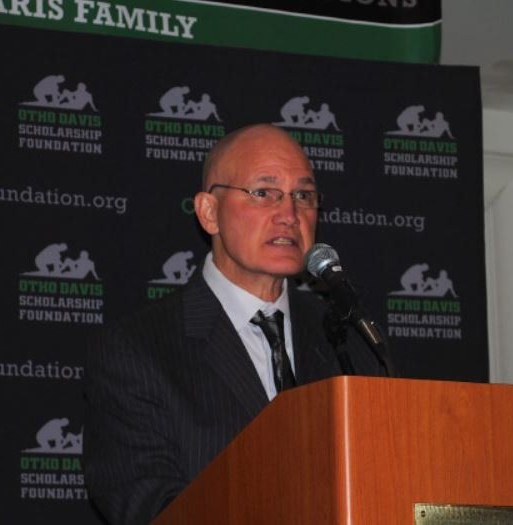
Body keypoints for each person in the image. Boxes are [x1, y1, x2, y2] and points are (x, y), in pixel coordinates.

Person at [84, 124, 381, 525]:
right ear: (209, 213)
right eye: (264, 192)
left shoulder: (349, 339)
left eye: (303, 195)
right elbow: (151, 509)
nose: (290, 214)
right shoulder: (138, 351)